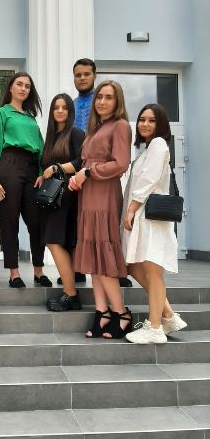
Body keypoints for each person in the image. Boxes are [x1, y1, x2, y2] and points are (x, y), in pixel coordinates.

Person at [69, 80, 132, 339]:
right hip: (88, 195)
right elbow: (85, 163)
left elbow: (121, 163)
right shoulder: (95, 128)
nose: (102, 102)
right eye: (99, 97)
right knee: (93, 256)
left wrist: (87, 172)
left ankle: (121, 313)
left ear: (118, 101)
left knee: (103, 255)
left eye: (109, 97)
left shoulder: (120, 126)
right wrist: (77, 177)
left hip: (105, 194)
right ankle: (101, 312)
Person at [122, 104, 187, 344]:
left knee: (153, 271)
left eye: (151, 120)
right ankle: (168, 315)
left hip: (150, 218)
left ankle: (155, 328)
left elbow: (148, 180)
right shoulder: (147, 148)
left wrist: (130, 209)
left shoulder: (159, 144)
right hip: (143, 217)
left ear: (161, 125)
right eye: (142, 119)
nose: (145, 124)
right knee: (132, 266)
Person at [0, 72, 52, 288]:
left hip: (32, 168)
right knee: (10, 219)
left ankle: (39, 271)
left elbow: (41, 146)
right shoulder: (1, 114)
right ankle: (14, 273)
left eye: (27, 86)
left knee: (36, 221)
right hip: (9, 164)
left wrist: (42, 171)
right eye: (19, 84)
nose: (23, 88)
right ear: (11, 88)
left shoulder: (31, 118)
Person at [39, 94, 85, 311]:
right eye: (56, 107)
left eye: (64, 108)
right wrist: (42, 175)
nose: (59, 111)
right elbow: (46, 165)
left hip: (68, 195)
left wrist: (57, 167)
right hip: (54, 197)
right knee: (59, 242)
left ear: (70, 111)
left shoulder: (76, 133)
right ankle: (70, 291)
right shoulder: (52, 136)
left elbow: (81, 162)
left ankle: (71, 294)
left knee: (53, 241)